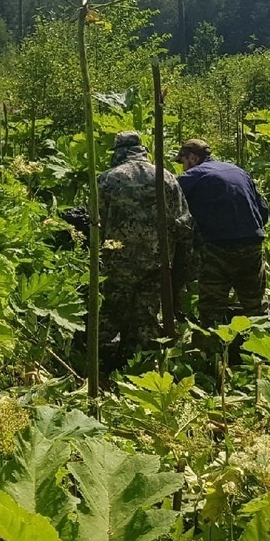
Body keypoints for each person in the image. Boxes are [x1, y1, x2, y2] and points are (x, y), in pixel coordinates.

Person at [98, 131, 193, 368]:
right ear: (143, 150)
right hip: (157, 260)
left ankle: (99, 363)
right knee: (146, 314)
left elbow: (94, 221)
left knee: (110, 311)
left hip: (117, 261)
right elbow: (183, 222)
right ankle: (140, 365)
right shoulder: (167, 177)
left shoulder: (107, 179)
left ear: (118, 152)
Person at [173, 138, 270, 328]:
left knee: (212, 308)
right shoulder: (239, 171)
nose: (183, 168)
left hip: (218, 246)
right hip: (252, 243)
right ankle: (268, 350)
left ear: (192, 158)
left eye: (183, 162)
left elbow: (172, 206)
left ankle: (213, 353)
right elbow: (262, 209)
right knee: (256, 306)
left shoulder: (193, 176)